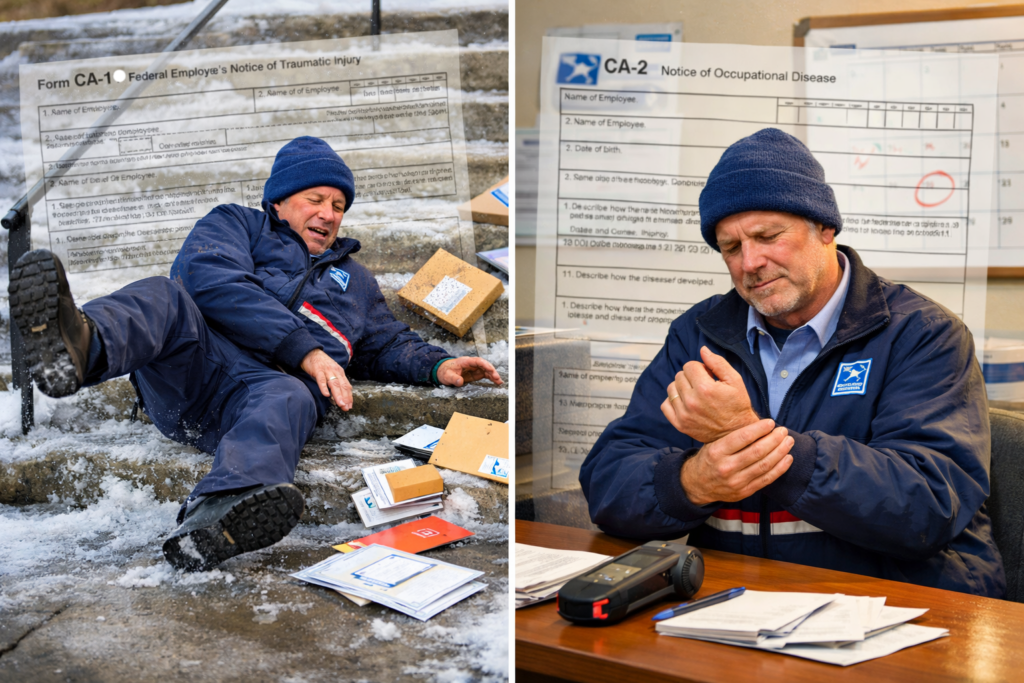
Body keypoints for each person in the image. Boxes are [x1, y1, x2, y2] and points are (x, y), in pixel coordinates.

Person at [8, 136, 502, 572]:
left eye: (338, 205)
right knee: (164, 294)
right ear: (279, 201)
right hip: (195, 369)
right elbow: (209, 278)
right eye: (316, 199)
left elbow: (386, 342)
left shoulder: (356, 282)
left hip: (264, 393)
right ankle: (79, 347)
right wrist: (306, 349)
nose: (329, 214)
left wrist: (439, 364)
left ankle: (215, 516)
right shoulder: (236, 224)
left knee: (291, 395)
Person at [579, 128, 1004, 597]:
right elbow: (608, 482)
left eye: (768, 236)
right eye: (731, 248)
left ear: (825, 228)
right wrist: (692, 482)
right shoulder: (698, 335)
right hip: (736, 605)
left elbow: (927, 505)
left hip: (897, 605)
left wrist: (750, 437)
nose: (750, 262)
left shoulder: (921, 333)